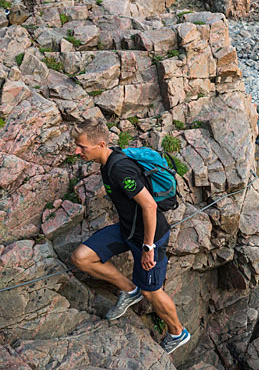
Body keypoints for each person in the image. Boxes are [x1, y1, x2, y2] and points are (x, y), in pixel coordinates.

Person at [69, 118, 190, 354]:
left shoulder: (119, 168)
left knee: (152, 291)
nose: (77, 151)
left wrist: (148, 247)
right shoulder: (107, 161)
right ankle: (129, 290)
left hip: (149, 238)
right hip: (127, 230)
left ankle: (177, 333)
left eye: (81, 146)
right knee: (81, 258)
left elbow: (149, 206)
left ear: (101, 144)